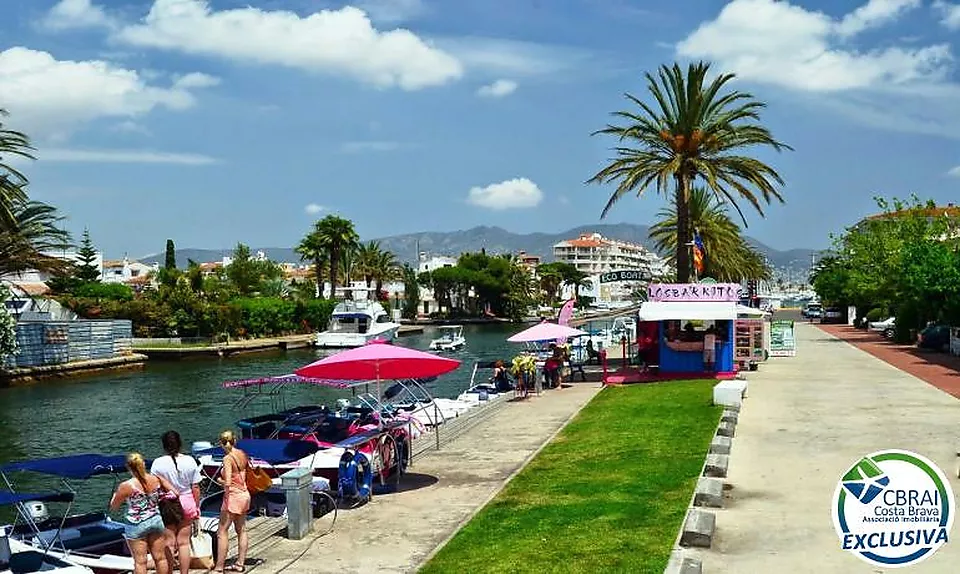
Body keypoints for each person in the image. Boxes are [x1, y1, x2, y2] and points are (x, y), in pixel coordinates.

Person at [110, 453, 172, 574]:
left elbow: (114, 507)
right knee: (160, 557)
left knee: (140, 562)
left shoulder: (126, 486)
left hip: (136, 524)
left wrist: (114, 497)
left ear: (128, 467)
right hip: (155, 519)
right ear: (143, 464)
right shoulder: (155, 479)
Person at [150, 431, 202, 574]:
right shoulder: (190, 461)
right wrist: (196, 506)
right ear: (180, 444)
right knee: (184, 542)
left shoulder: (157, 463)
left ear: (164, 446)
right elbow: (195, 487)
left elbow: (154, 487)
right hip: (187, 501)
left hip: (168, 504)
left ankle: (169, 572)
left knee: (169, 542)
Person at [213, 430, 250, 574]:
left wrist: (219, 480)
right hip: (244, 494)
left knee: (222, 532)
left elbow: (228, 482)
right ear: (235, 440)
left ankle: (219, 567)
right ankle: (240, 563)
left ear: (222, 443)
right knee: (241, 529)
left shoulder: (227, 459)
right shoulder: (242, 453)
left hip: (233, 497)